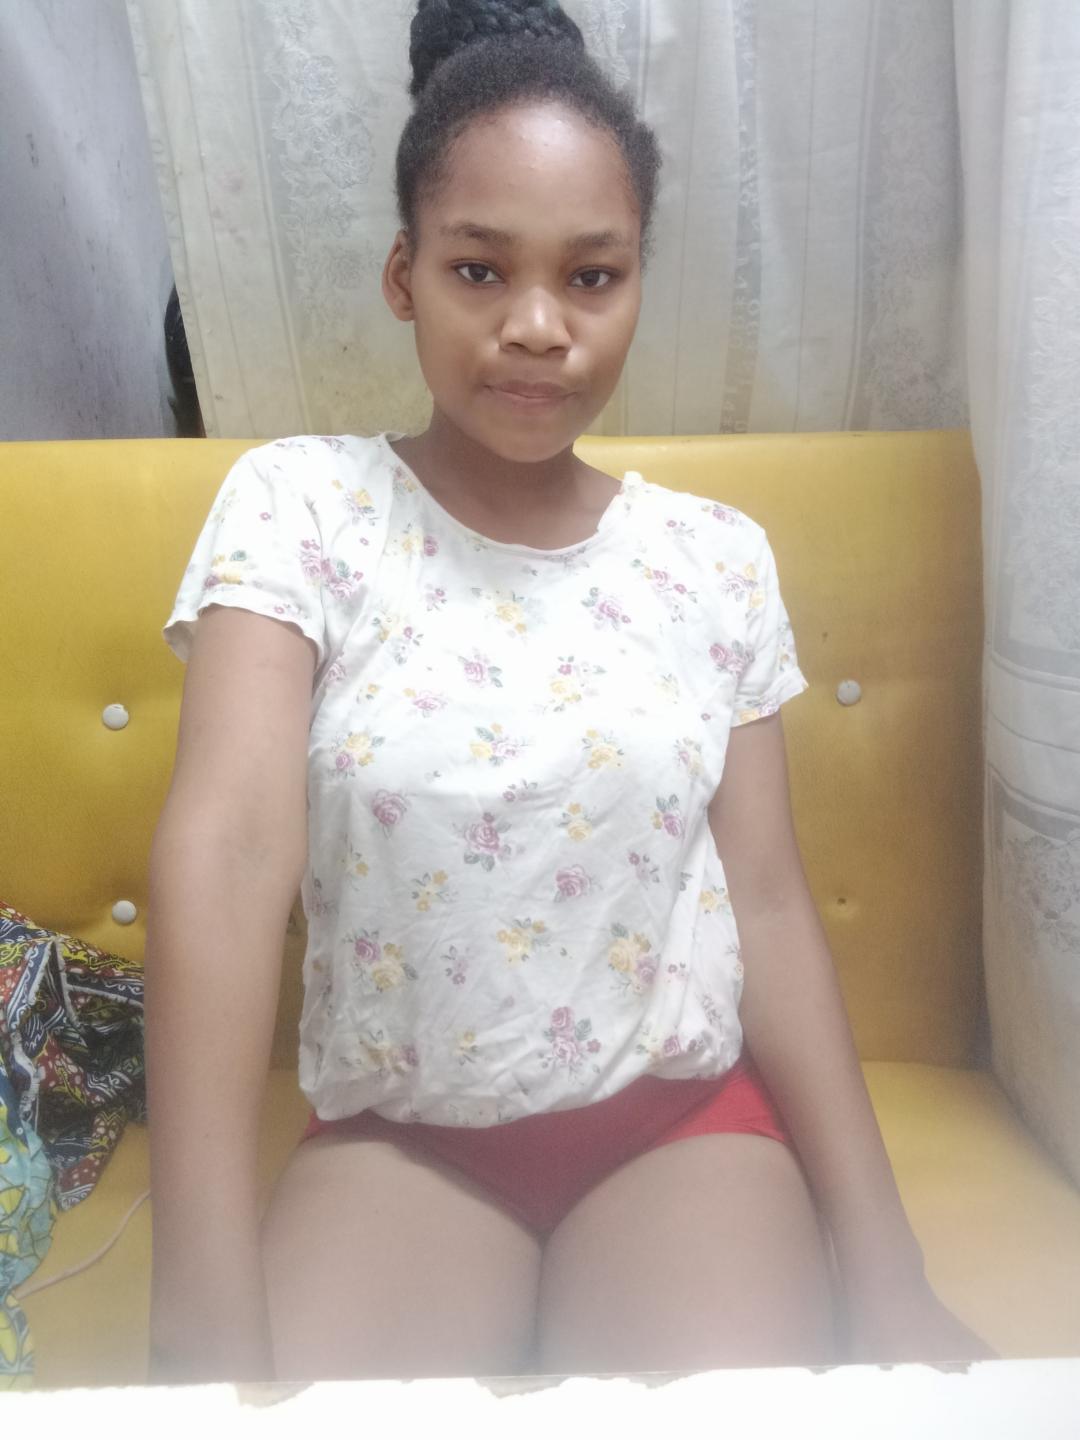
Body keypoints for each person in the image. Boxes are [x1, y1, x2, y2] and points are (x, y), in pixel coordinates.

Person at [144, 0, 996, 1386]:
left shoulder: (713, 558)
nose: (537, 326)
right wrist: (196, 1321)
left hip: (681, 1128)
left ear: (638, 281)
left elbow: (769, 902)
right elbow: (230, 854)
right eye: (480, 270)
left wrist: (890, 1275)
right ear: (404, 275)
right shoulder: (301, 510)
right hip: (403, 1139)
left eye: (591, 277)